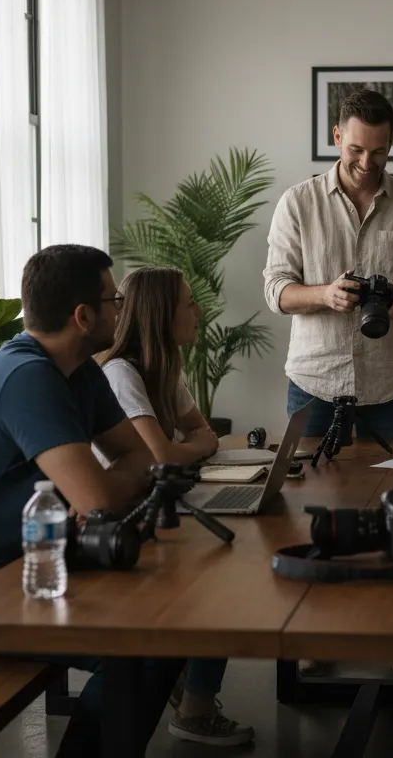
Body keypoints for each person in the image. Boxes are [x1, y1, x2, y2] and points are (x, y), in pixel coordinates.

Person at [0, 244, 181, 758]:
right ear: (83, 316)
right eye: (113, 298)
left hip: (28, 563)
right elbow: (100, 498)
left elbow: (142, 458)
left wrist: (104, 491)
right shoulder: (26, 376)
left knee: (166, 627)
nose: (121, 309)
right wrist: (102, 491)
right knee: (142, 646)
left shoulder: (77, 369)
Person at [262, 88, 393, 679]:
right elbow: (275, 291)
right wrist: (325, 294)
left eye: (382, 152)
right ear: (337, 134)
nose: (368, 163)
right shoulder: (298, 203)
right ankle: (318, 633)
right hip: (314, 385)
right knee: (313, 516)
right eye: (358, 149)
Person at [93, 265, 254, 747]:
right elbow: (167, 453)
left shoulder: (165, 367)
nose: (199, 310)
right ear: (163, 314)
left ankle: (188, 686)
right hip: (129, 517)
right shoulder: (122, 373)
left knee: (231, 557)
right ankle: (195, 708)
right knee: (222, 578)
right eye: (189, 302)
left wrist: (189, 444)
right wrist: (190, 445)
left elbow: (206, 434)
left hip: (161, 500)